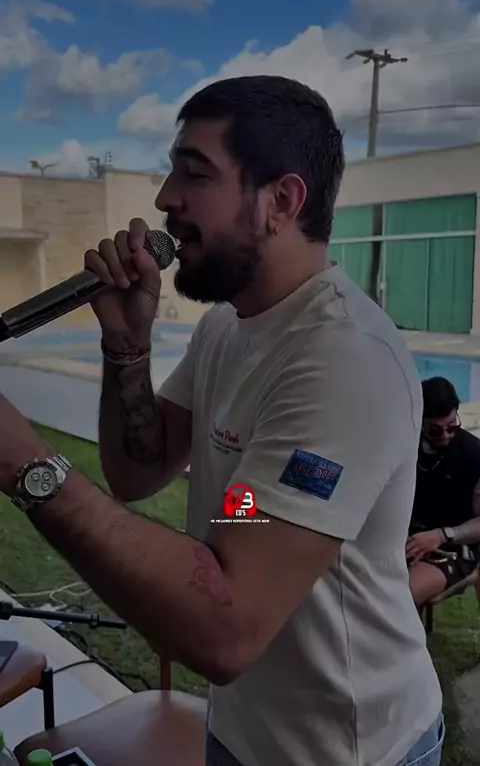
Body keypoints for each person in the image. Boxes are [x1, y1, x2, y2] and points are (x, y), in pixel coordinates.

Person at [0, 76, 443, 766]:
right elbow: (139, 471)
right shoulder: (227, 328)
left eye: (195, 173)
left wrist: (25, 461)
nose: (164, 199)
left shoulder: (345, 359)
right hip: (240, 729)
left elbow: (225, 630)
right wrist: (128, 346)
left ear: (281, 201)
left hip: (346, 747)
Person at [408, 376, 480, 607]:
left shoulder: (474, 455)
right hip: (404, 540)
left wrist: (441, 535)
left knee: (403, 595)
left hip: (454, 546)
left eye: (452, 426)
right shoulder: (403, 446)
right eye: (435, 431)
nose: (446, 436)